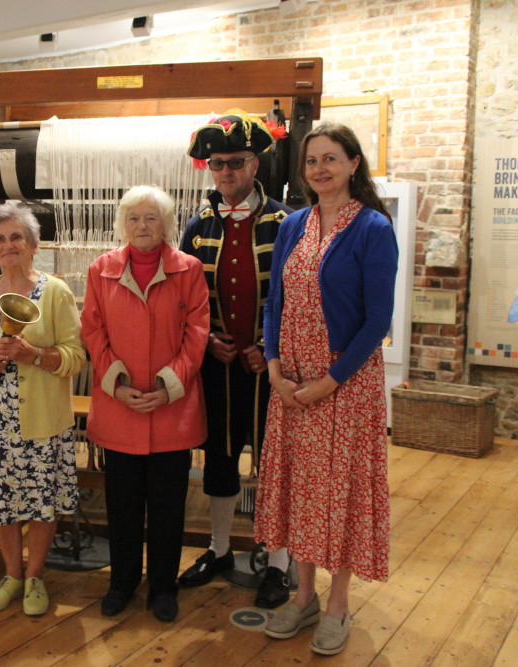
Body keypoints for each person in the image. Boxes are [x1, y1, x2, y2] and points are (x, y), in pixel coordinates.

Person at [255, 122, 397, 656]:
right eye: (312, 160)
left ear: (353, 164)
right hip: (291, 383)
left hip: (345, 386)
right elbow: (276, 303)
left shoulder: (373, 229)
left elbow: (376, 319)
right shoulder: (293, 224)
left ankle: (337, 602)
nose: (320, 168)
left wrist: (328, 383)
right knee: (302, 492)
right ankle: (303, 594)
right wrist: (273, 364)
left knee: (340, 493)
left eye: (331, 158)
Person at [178, 110, 294, 609]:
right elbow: (183, 300)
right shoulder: (198, 226)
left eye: (236, 162)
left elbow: (298, 298)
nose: (225, 172)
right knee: (220, 459)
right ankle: (220, 548)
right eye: (216, 163)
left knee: (275, 462)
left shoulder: (286, 222)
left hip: (273, 368)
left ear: (256, 164)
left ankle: (279, 561)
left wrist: (267, 349)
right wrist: (206, 341)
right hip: (218, 363)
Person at [81, 185, 209, 623]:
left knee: (170, 506)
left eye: (152, 217)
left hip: (171, 411)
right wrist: (116, 384)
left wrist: (169, 384)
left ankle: (163, 586)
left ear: (167, 224)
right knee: (123, 506)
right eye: (134, 217)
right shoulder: (100, 270)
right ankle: (122, 582)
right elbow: (93, 332)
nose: (142, 225)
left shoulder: (188, 269)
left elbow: (197, 332)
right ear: (122, 223)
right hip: (120, 410)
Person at [0, 202, 85, 616]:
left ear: (33, 245)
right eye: (0, 239)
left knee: (41, 501)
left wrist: (33, 354)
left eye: (17, 237)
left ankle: (34, 577)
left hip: (44, 421)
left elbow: (76, 356)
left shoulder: (56, 291)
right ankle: (11, 575)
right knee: (1, 502)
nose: (8, 245)